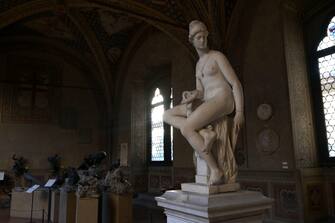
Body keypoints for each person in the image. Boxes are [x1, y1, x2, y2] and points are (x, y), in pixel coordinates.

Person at [163, 20, 244, 185]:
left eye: (204, 36)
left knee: (186, 127)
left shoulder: (217, 56)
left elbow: (235, 83)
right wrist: (191, 95)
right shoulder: (198, 65)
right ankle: (205, 134)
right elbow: (200, 91)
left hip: (223, 99)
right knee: (167, 114)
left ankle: (216, 170)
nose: (202, 40)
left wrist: (240, 112)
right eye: (198, 37)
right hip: (208, 100)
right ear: (192, 40)